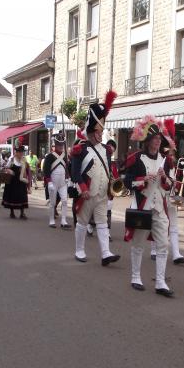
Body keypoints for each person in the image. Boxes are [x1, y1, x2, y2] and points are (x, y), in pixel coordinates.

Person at [124, 115, 174, 297]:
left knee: (163, 245)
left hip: (160, 206)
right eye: (154, 139)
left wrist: (164, 178)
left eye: (159, 138)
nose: (157, 142)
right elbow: (127, 182)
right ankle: (135, 276)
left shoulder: (165, 160)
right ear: (147, 141)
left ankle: (160, 281)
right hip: (142, 206)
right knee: (138, 244)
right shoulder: (137, 158)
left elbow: (169, 185)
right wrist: (142, 180)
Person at [71, 91, 120, 266]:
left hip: (102, 195)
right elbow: (75, 173)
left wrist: (112, 185)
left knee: (102, 223)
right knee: (82, 223)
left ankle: (105, 253)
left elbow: (107, 171)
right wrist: (82, 189)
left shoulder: (106, 150)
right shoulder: (80, 148)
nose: (101, 134)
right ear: (91, 131)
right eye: (98, 131)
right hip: (87, 193)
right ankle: (79, 250)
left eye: (102, 131)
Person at [149, 123, 184, 264]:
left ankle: (176, 253)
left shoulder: (171, 161)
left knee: (173, 225)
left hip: (170, 195)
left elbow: (173, 178)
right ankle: (154, 249)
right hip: (160, 196)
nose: (173, 149)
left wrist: (177, 182)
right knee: (158, 224)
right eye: (171, 146)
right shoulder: (161, 159)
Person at [43, 136, 70, 229]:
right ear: (56, 145)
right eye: (59, 145)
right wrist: (49, 182)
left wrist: (68, 178)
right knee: (53, 203)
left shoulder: (65, 156)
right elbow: (46, 170)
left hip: (63, 183)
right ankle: (51, 220)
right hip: (53, 183)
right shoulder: (50, 156)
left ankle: (64, 221)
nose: (61, 146)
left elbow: (67, 168)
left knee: (65, 201)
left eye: (62, 145)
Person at [2, 144, 31, 219]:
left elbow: (28, 171)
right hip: (13, 181)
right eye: (19, 152)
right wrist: (10, 170)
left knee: (22, 196)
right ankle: (12, 212)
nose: (21, 153)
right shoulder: (11, 159)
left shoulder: (24, 160)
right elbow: (6, 168)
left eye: (22, 152)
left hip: (21, 181)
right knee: (12, 196)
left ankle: (22, 213)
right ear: (16, 152)